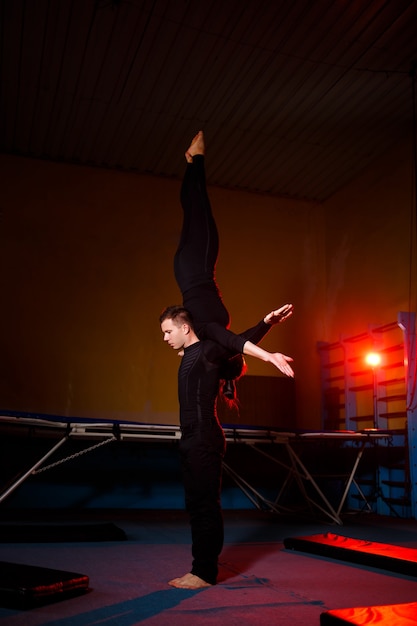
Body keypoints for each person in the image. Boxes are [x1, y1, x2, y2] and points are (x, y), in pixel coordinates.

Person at [160, 132, 294, 590]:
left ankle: (203, 572)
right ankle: (193, 164)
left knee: (196, 214)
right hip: (196, 438)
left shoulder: (210, 338)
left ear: (182, 326)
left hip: (200, 438)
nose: (164, 337)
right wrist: (266, 331)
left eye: (166, 331)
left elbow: (237, 342)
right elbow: (234, 343)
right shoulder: (205, 345)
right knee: (198, 214)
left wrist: (267, 345)